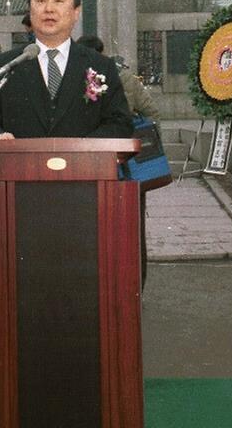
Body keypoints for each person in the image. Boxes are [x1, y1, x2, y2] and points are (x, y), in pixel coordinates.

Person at [0, 0, 133, 140]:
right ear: (30, 10)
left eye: (59, 1)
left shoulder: (101, 66)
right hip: (20, 164)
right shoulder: (4, 65)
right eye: (40, 1)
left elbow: (121, 123)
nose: (49, 9)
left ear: (76, 12)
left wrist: (86, 148)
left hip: (83, 165)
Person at [77, 35, 161, 292]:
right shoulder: (124, 77)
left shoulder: (81, 79)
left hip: (97, 167)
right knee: (133, 231)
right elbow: (152, 114)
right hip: (128, 167)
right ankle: (135, 289)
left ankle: (101, 288)